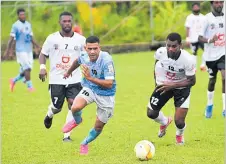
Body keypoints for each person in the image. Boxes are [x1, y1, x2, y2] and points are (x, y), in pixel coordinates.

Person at [62, 36, 116, 155]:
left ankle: (84, 143)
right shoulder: (84, 56)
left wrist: (90, 78)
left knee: (98, 127)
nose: (92, 52)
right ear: (85, 48)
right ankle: (77, 121)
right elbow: (77, 61)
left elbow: (109, 83)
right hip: (90, 88)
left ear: (99, 48)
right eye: (89, 48)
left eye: (95, 49)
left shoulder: (107, 60)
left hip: (106, 95)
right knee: (75, 107)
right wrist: (68, 72)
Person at [39, 11, 86, 142]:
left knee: (73, 105)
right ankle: (49, 114)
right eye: (64, 21)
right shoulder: (52, 38)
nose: (67, 23)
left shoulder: (81, 40)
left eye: (69, 21)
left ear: (72, 22)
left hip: (75, 79)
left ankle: (67, 135)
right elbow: (42, 54)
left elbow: (86, 57)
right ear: (59, 22)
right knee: (56, 107)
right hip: (56, 80)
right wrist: (42, 68)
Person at [147, 33, 196, 145]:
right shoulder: (160, 53)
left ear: (180, 46)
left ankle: (179, 134)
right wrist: (157, 83)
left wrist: (173, 85)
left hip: (182, 88)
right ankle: (164, 121)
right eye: (168, 46)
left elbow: (192, 81)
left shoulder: (188, 59)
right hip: (164, 84)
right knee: (151, 113)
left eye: (174, 46)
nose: (170, 49)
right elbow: (156, 65)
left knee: (179, 121)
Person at [198, 1, 225, 118]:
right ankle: (209, 105)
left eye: (221, 2)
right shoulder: (206, 19)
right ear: (212, 4)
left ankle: (224, 108)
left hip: (223, 54)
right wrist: (210, 40)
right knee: (212, 81)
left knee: (224, 77)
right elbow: (199, 37)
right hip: (210, 56)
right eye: (217, 3)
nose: (219, 5)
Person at [4, 8, 40, 92]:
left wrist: (37, 46)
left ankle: (13, 80)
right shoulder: (15, 25)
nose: (23, 16)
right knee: (27, 68)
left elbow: (31, 37)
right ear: (18, 16)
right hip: (20, 50)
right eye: (21, 15)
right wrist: (8, 50)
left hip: (28, 50)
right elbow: (11, 39)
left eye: (24, 14)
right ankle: (30, 87)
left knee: (29, 69)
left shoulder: (28, 24)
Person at [184, 2, 206, 71]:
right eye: (194, 7)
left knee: (206, 51)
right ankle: (194, 67)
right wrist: (187, 38)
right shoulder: (189, 17)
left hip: (202, 38)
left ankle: (203, 65)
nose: (196, 8)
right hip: (193, 38)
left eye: (197, 7)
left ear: (199, 8)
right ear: (192, 8)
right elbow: (187, 28)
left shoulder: (203, 17)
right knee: (194, 53)